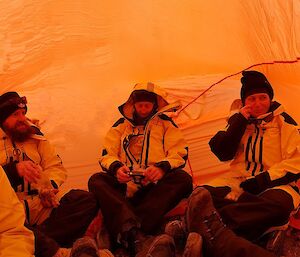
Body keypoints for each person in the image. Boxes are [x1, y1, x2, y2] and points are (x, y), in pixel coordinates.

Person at [184, 70, 300, 257]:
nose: (258, 104)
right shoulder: (238, 120)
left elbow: (297, 160)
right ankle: (224, 233)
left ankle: (208, 231)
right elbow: (221, 153)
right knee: (200, 196)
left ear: (270, 98)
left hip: (275, 183)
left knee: (279, 206)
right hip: (237, 181)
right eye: (251, 99)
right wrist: (238, 122)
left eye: (263, 97)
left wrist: (263, 180)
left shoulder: (284, 121)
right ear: (244, 102)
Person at [88, 82, 193, 256]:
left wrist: (161, 168)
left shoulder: (166, 124)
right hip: (125, 187)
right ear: (133, 105)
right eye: (140, 104)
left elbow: (179, 152)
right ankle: (138, 236)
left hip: (154, 186)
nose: (144, 108)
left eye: (148, 104)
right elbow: (107, 154)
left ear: (155, 105)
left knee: (183, 179)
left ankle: (128, 233)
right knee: (96, 180)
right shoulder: (120, 126)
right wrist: (116, 169)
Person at [0, 91, 99, 257]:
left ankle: (36, 241)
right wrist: (13, 170)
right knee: (13, 229)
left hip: (41, 209)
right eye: (15, 114)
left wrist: (49, 187)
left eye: (23, 113)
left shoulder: (35, 137)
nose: (22, 118)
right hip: (10, 215)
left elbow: (55, 166)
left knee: (85, 200)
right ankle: (48, 246)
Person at [0, 166, 34, 257]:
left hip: (39, 202)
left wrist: (49, 186)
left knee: (75, 197)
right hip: (21, 207)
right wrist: (13, 171)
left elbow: (11, 231)